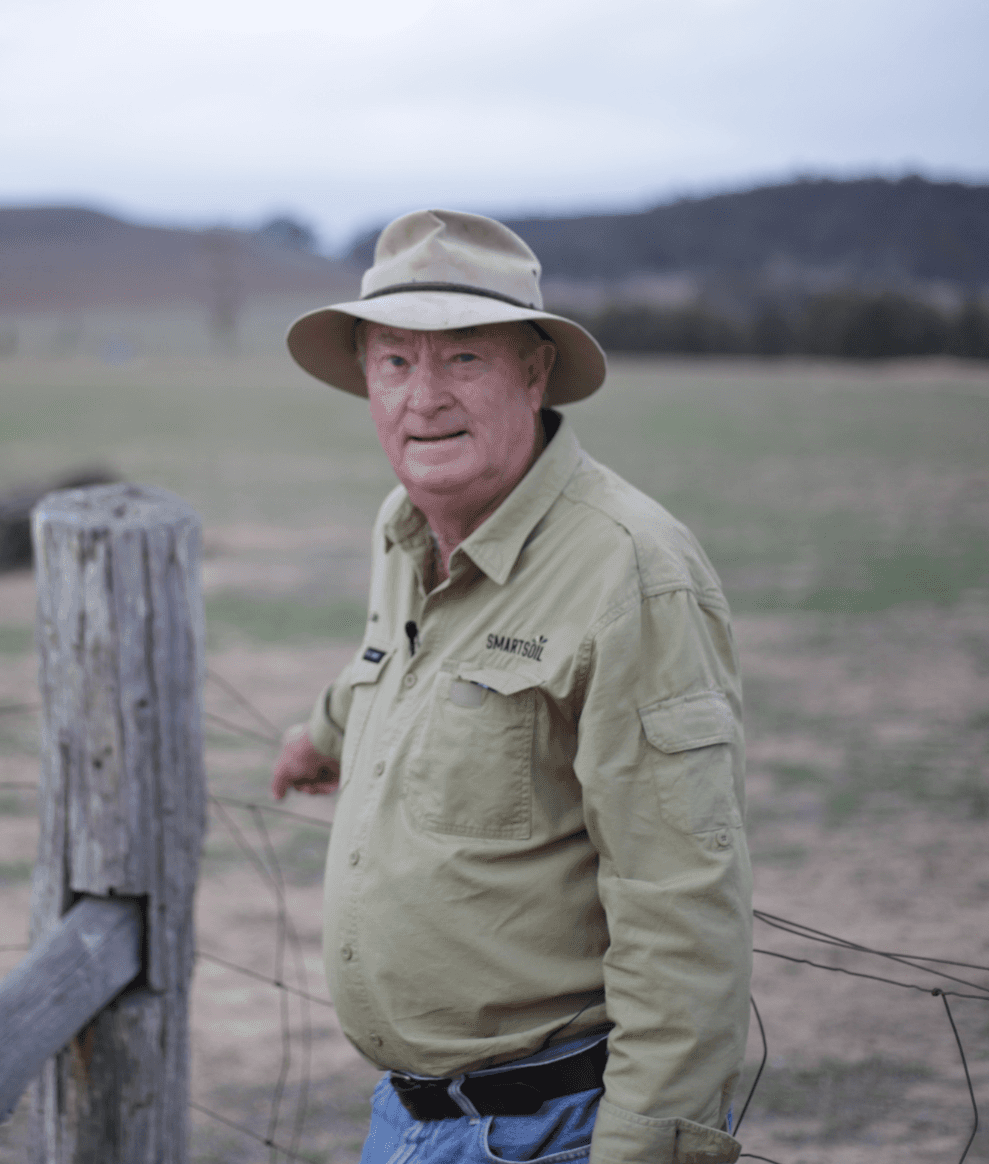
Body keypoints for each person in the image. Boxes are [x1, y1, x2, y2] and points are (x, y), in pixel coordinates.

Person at [270, 210, 752, 1164]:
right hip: (405, 1119)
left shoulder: (632, 572)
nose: (423, 398)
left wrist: (648, 1150)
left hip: (547, 1132)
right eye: (395, 361)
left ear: (535, 373)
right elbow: (397, 658)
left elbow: (683, 906)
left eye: (464, 360)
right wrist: (320, 734)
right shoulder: (407, 524)